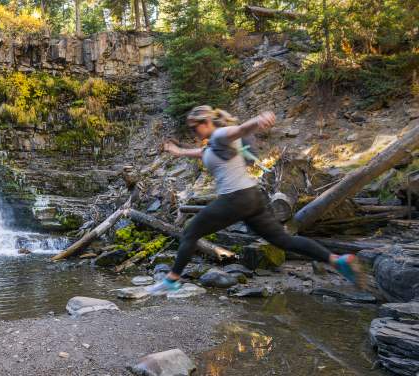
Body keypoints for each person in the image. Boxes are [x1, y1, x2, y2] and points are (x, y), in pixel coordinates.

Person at [146, 105, 365, 295]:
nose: (193, 132)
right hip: (252, 198)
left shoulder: (220, 135)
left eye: (194, 128)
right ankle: (338, 261)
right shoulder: (212, 145)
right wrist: (176, 151)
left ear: (205, 123)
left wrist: (258, 121)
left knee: (190, 232)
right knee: (283, 241)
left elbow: (241, 129)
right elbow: (198, 153)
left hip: (235, 199)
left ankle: (171, 281)